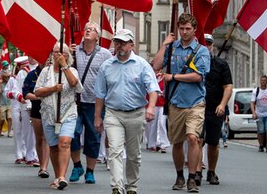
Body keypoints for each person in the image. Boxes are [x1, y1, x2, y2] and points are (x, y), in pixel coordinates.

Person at [94, 29, 159, 194]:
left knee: (133, 155)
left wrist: (150, 107)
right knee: (115, 150)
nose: (119, 46)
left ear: (131, 45)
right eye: (117, 42)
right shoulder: (106, 66)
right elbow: (100, 94)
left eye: (123, 42)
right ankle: (117, 186)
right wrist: (97, 117)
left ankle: (131, 186)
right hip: (113, 113)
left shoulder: (142, 64)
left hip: (136, 113)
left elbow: (152, 89)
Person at [152, 13, 210, 193]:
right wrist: (164, 45)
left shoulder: (201, 51)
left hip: (195, 102)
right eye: (182, 29)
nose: (184, 32)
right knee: (177, 143)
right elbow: (156, 65)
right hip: (175, 102)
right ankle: (179, 175)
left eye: (188, 29)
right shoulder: (173, 48)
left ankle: (192, 177)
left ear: (194, 30)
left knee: (193, 138)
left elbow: (198, 76)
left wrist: (174, 77)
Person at [35, 43, 83, 190]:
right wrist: (53, 88)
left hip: (67, 113)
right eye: (56, 52)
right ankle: (57, 177)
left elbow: (75, 84)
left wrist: (64, 66)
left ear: (67, 55)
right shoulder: (45, 72)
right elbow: (37, 92)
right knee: (54, 147)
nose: (58, 55)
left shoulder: (72, 70)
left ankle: (62, 176)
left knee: (64, 142)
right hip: (49, 114)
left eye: (62, 53)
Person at [69, 21, 112, 184]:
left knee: (93, 137)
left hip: (95, 103)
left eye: (92, 29)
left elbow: (110, 76)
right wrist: (68, 57)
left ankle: (90, 171)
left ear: (98, 37)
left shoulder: (105, 54)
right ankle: (77, 165)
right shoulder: (74, 51)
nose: (88, 31)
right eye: (87, 28)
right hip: (75, 101)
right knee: (72, 134)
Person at [195, 33, 232, 186]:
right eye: (203, 44)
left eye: (208, 44)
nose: (206, 47)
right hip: (197, 107)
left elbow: (228, 87)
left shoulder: (221, 64)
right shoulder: (193, 63)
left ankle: (211, 171)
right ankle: (197, 171)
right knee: (197, 140)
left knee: (213, 143)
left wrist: (222, 105)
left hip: (215, 109)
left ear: (212, 46)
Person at [6, 56, 39, 166]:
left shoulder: (43, 70)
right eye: (29, 55)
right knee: (25, 131)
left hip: (39, 105)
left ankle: (36, 156)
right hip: (23, 106)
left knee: (38, 132)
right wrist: (20, 97)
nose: (31, 58)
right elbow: (15, 90)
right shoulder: (21, 73)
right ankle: (26, 155)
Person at [23, 60, 50, 178]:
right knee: (39, 138)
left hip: (49, 109)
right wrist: (38, 96)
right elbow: (25, 93)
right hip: (36, 109)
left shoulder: (53, 74)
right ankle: (41, 164)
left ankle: (44, 167)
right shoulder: (31, 74)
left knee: (48, 138)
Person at [250, 75, 267, 153]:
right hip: (259, 114)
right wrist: (254, 113)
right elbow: (252, 103)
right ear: (260, 81)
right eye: (262, 80)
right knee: (261, 131)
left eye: (265, 80)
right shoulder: (256, 91)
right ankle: (261, 145)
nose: (263, 82)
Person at [0, 69, 13, 138]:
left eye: (8, 77)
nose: (7, 78)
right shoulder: (0, 84)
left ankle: (9, 132)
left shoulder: (11, 84)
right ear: (3, 77)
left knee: (10, 118)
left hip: (9, 103)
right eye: (6, 77)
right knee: (2, 119)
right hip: (2, 104)